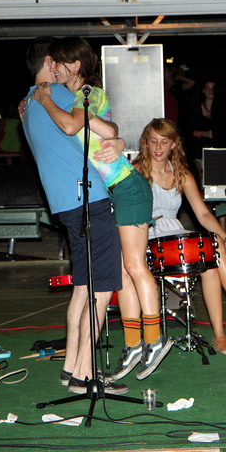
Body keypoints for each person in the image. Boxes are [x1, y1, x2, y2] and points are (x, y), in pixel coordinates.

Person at [32, 36, 170, 382]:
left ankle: (154, 338)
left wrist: (45, 99)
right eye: (52, 62)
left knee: (134, 265)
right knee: (119, 271)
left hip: (128, 187)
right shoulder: (73, 99)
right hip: (111, 190)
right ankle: (133, 343)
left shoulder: (88, 94)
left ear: (75, 65)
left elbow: (79, 125)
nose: (54, 68)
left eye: (60, 62)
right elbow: (102, 128)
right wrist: (115, 135)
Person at [23, 37, 128, 395]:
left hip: (65, 204)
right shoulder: (55, 94)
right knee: (103, 288)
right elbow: (92, 127)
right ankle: (85, 376)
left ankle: (71, 369)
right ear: (50, 62)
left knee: (83, 287)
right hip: (89, 200)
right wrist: (119, 139)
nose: (62, 68)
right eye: (58, 61)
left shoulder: (29, 101)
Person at [133, 119, 226, 355]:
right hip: (146, 236)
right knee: (212, 248)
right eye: (153, 141)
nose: (158, 147)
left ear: (173, 144)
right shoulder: (137, 171)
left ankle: (220, 334)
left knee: (211, 261)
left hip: (175, 235)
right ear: (146, 143)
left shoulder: (182, 174)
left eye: (164, 141)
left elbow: (202, 214)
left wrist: (225, 237)